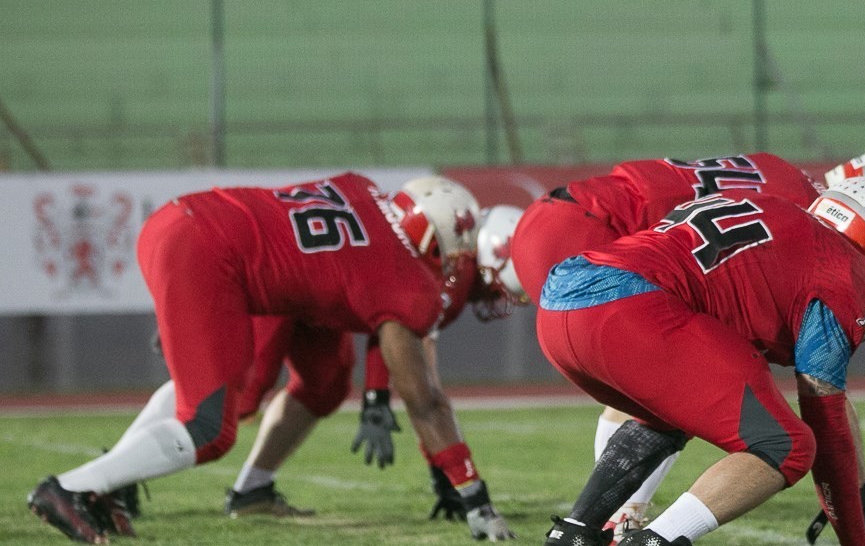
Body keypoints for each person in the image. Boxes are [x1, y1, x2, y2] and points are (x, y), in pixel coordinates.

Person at [26, 173, 516, 543]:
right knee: (210, 427)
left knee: (257, 385)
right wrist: (473, 493)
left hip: (187, 218)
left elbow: (331, 266)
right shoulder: (406, 278)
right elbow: (424, 400)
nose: (456, 265)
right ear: (437, 239)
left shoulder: (360, 188)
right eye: (455, 252)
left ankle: (108, 484)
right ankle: (70, 486)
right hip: (214, 257)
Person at [537, 176, 865, 546]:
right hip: (628, 308)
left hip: (561, 299)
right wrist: (856, 538)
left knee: (670, 416)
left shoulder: (772, 205)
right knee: (788, 445)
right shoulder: (844, 267)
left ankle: (575, 533)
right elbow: (825, 418)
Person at [510, 154, 831, 538]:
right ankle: (623, 521)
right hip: (594, 232)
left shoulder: (777, 170)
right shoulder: (803, 212)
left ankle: (583, 528)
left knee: (672, 384)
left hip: (563, 217)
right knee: (667, 374)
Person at [220, 204, 527, 531]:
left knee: (326, 386)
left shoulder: (443, 264)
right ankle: (173, 427)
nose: (494, 298)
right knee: (239, 396)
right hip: (285, 281)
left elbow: (413, 370)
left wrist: (378, 399)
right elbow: (422, 388)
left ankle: (251, 490)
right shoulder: (445, 273)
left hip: (318, 298)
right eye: (496, 287)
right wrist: (450, 476)